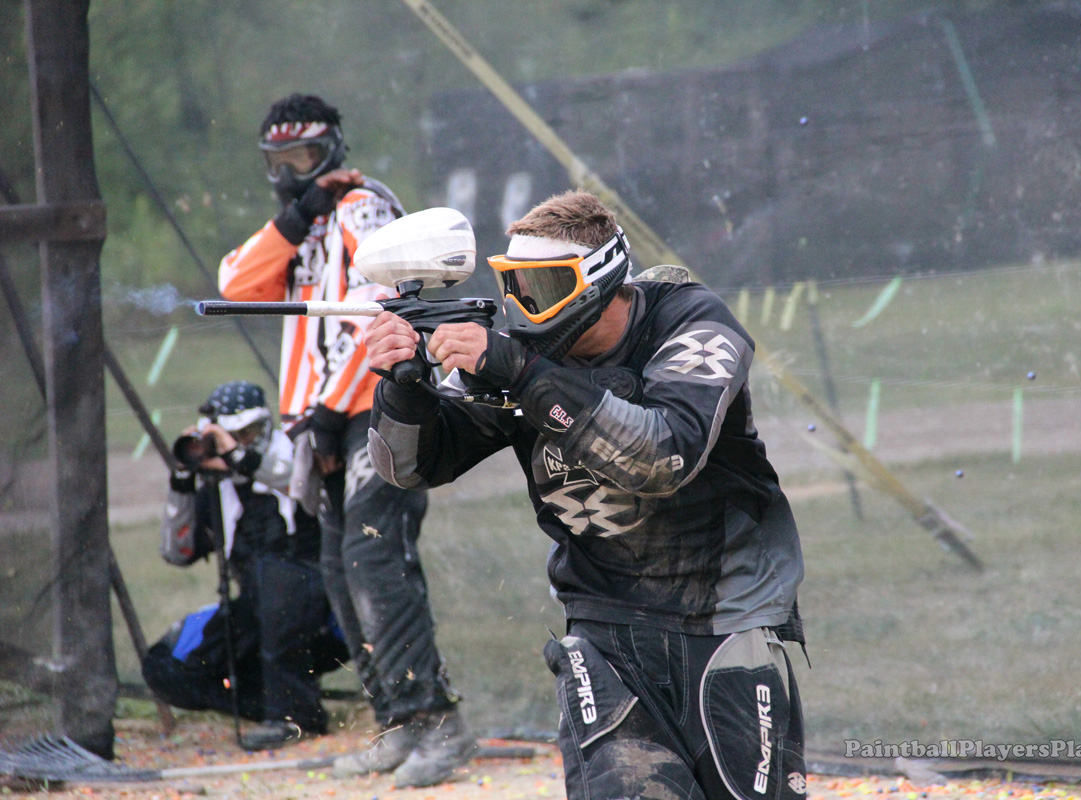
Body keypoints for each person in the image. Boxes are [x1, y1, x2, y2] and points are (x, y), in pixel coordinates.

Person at [364, 190, 809, 800]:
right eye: (516, 286)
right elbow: (409, 467)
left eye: (543, 288)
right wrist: (405, 389)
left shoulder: (692, 324)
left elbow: (663, 458)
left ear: (597, 279)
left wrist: (525, 377)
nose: (525, 307)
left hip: (726, 620)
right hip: (604, 631)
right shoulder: (523, 357)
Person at [217, 94, 473, 785]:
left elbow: (382, 306)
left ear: (331, 150)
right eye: (277, 162)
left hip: (373, 407)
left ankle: (438, 724)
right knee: (339, 568)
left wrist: (331, 409)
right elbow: (235, 282)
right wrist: (296, 217)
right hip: (322, 418)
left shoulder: (363, 206)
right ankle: (398, 722)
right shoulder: (302, 225)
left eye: (301, 158)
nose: (289, 173)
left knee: (374, 559)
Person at [145, 380, 348, 751]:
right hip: (259, 615)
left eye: (247, 434)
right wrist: (182, 479)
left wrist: (238, 456)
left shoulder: (297, 456)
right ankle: (278, 706)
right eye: (227, 437)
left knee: (276, 579)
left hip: (329, 618)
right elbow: (177, 553)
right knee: (165, 665)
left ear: (266, 426)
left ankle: (293, 714)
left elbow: (295, 481)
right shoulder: (217, 491)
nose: (237, 444)